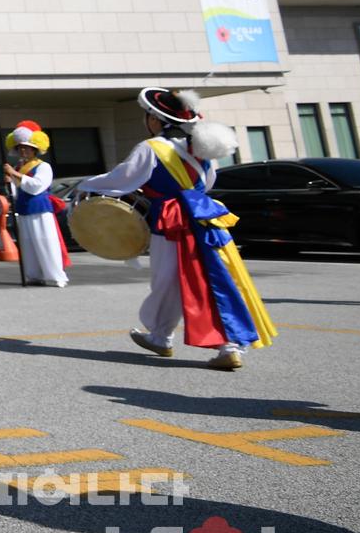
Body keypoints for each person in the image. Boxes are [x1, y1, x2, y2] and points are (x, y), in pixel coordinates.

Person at [78, 87, 274, 370]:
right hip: (205, 218)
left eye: (148, 117)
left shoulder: (151, 148)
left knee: (168, 280)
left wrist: (86, 184)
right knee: (213, 278)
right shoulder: (197, 149)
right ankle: (165, 337)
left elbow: (123, 178)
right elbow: (207, 184)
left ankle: (221, 345)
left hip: (172, 221)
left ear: (156, 120)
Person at [3, 121, 69, 287]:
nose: (23, 150)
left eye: (27, 147)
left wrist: (14, 174)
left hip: (40, 208)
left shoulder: (43, 166)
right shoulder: (19, 166)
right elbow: (17, 188)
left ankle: (56, 275)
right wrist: (9, 181)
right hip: (24, 208)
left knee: (45, 242)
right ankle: (34, 274)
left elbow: (37, 186)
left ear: (35, 149)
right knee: (28, 243)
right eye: (20, 147)